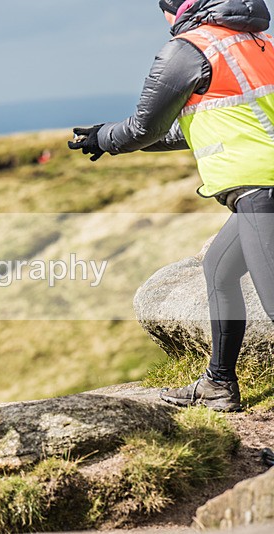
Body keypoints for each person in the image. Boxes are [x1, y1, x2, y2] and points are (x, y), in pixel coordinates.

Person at [69, 0, 274, 412]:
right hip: (262, 188)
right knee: (219, 267)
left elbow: (146, 126)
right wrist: (113, 141)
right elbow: (196, 125)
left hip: (260, 189)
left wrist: (103, 138)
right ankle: (218, 383)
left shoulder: (189, 49)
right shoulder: (258, 41)